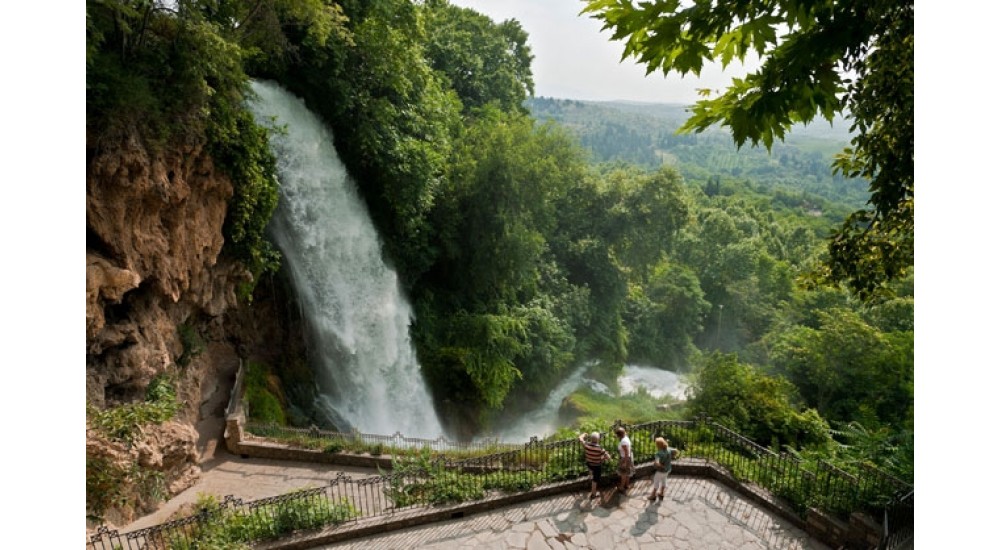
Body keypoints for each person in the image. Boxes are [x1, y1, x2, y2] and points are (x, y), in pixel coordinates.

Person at [579, 431, 611, 499]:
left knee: (591, 471)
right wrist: (604, 457)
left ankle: (590, 478)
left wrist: (584, 434)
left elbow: (580, 438)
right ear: (598, 439)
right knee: (595, 480)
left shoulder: (586, 445)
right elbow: (609, 458)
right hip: (597, 466)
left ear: (591, 439)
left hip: (589, 463)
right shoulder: (600, 448)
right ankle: (593, 494)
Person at [647, 437, 680, 501]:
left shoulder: (658, 453)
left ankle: (653, 495)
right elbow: (676, 451)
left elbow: (657, 463)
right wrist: (672, 457)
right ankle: (661, 493)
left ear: (657, 445)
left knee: (656, 482)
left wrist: (661, 465)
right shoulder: (668, 449)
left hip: (660, 471)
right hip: (668, 470)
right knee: (664, 481)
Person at [614, 426, 634, 492]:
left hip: (625, 458)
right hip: (629, 457)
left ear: (619, 435)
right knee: (627, 472)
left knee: (623, 474)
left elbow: (626, 452)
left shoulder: (623, 442)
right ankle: (627, 485)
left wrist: (625, 462)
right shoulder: (626, 437)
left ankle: (622, 487)